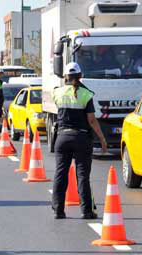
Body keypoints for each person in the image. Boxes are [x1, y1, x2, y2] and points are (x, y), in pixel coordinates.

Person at [51, 62, 108, 220]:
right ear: (81, 76)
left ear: (65, 77)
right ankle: (86, 211)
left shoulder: (57, 93)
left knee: (60, 174)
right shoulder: (86, 94)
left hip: (62, 137)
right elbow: (91, 120)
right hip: (81, 138)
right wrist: (102, 139)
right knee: (82, 176)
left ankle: (58, 210)